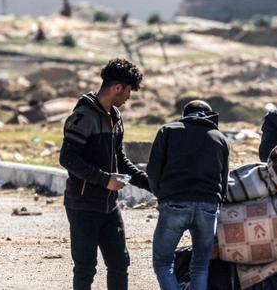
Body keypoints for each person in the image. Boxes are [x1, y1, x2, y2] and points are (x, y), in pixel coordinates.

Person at [59, 58, 150, 290]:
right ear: (118, 88)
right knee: (85, 268)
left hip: (109, 206)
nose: (130, 97)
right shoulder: (83, 117)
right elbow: (68, 159)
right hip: (82, 205)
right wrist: (105, 179)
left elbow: (121, 161)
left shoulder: (116, 118)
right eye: (129, 91)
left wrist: (153, 185)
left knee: (120, 263)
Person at [147, 100, 230, 290]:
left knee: (163, 263)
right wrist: (216, 203)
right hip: (208, 208)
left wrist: (162, 195)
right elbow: (224, 181)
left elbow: (153, 171)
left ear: (185, 114)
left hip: (174, 204)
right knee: (200, 266)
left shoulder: (168, 130)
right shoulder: (221, 138)